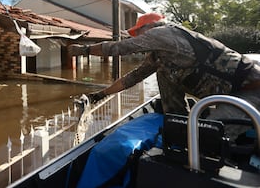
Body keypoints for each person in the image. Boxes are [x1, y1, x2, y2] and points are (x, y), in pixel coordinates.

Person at [69, 13, 260, 119]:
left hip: (247, 94)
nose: (140, 40)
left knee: (208, 138)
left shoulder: (163, 33)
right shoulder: (161, 55)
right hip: (228, 97)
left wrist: (84, 50)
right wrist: (99, 96)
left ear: (150, 28)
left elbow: (119, 47)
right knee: (163, 73)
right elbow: (132, 78)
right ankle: (177, 118)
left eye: (140, 33)